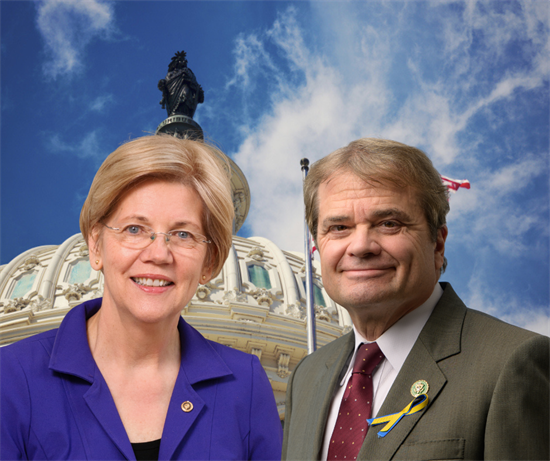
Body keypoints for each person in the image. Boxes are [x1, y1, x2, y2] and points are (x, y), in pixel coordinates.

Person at [0, 135, 282, 461]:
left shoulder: (244, 384)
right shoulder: (12, 378)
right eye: (134, 229)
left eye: (183, 234)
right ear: (95, 245)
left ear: (209, 263)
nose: (159, 254)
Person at [282, 138, 550, 461]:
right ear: (318, 245)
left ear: (437, 243)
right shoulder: (306, 378)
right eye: (339, 227)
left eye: (389, 223)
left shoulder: (511, 364)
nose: (361, 245)